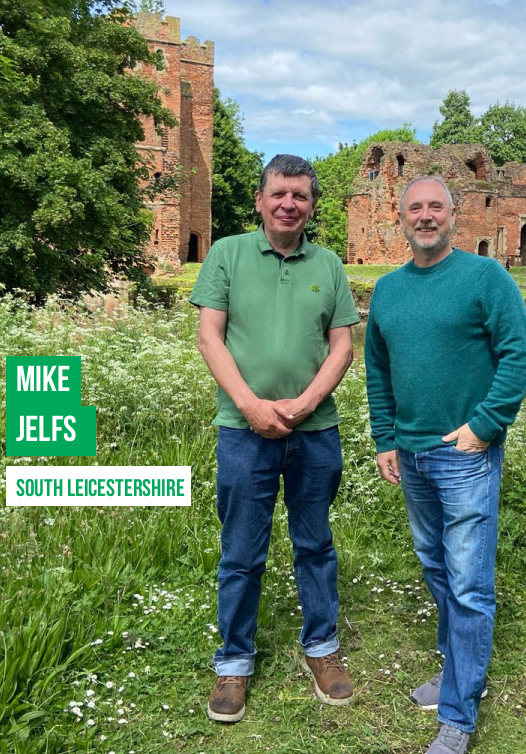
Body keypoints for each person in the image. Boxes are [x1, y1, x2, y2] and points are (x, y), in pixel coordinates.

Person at [365, 176, 526, 754]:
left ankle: (459, 715)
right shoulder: (387, 290)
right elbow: (379, 371)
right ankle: (455, 668)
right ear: (401, 218)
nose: (425, 216)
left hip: (464, 452)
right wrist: (385, 437)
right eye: (415, 207)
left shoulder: (485, 278)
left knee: (468, 584)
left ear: (455, 215)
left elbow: (521, 356)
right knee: (436, 565)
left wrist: (485, 425)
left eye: (436, 206)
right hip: (411, 453)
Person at [189, 154, 360, 723]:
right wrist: (250, 405)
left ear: (312, 206)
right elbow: (210, 338)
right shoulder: (227, 254)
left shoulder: (330, 264)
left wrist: (306, 402)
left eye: (301, 196)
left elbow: (342, 346)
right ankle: (234, 662)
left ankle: (322, 649)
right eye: (279, 193)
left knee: (315, 544)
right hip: (244, 431)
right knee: (241, 552)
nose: (290, 204)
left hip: (315, 433)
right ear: (260, 201)